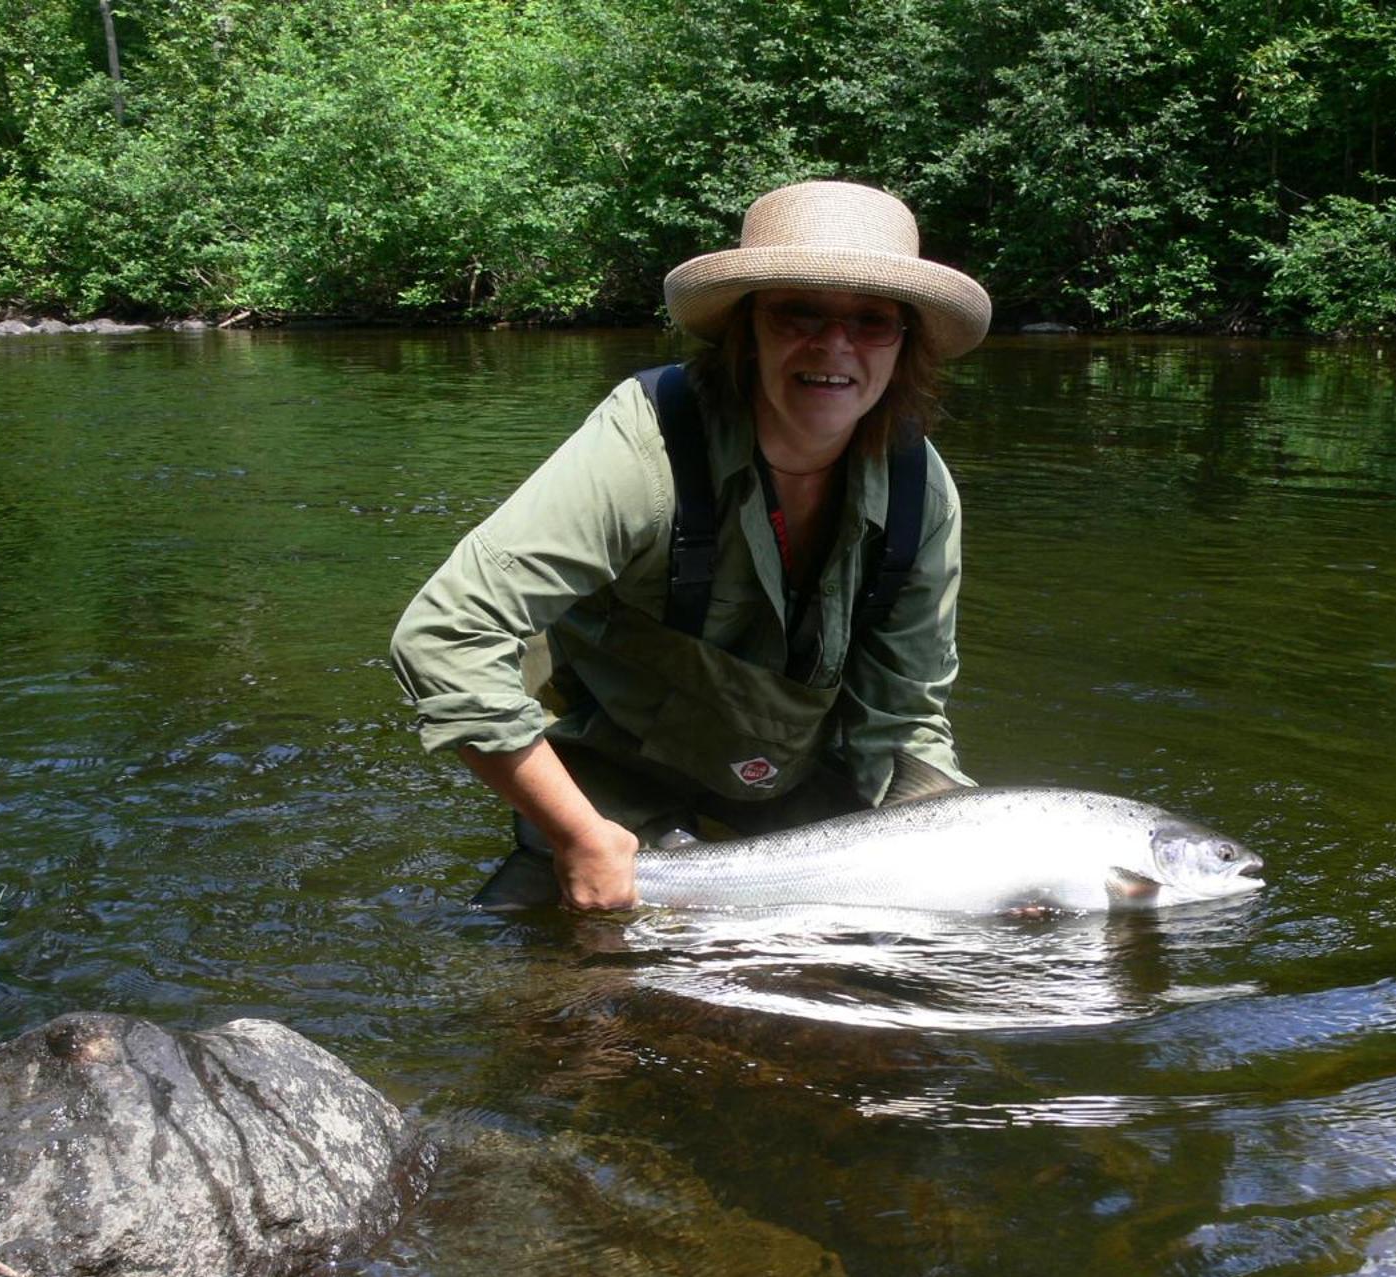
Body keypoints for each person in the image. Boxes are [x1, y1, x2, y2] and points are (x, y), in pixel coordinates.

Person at [391, 180, 992, 909]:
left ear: (905, 346)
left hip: (794, 794)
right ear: (746, 327)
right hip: (611, 786)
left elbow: (902, 725)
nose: (834, 345)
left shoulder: (916, 489)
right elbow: (446, 635)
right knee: (568, 1013)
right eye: (799, 311)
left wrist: (965, 862)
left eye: (872, 322)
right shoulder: (646, 440)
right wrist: (580, 836)